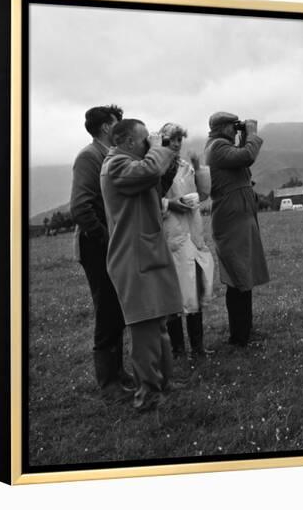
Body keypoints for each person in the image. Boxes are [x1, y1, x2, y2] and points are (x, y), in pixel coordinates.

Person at [100, 118, 184, 410]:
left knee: (158, 322)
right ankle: (147, 394)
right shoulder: (116, 166)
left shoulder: (132, 166)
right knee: (145, 329)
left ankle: (163, 382)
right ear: (127, 142)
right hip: (133, 258)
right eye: (143, 138)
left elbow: (156, 182)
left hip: (145, 253)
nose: (148, 142)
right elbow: (149, 170)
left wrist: (171, 151)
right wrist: (160, 146)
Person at [69, 104, 133, 400]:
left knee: (117, 308)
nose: (121, 126)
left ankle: (118, 372)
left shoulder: (108, 156)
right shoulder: (89, 157)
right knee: (106, 308)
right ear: (107, 127)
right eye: (117, 122)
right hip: (97, 245)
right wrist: (107, 239)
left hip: (111, 242)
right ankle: (107, 382)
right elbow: (80, 206)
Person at [204, 112, 269, 347]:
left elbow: (241, 159)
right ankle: (239, 336)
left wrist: (243, 136)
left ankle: (245, 330)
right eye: (234, 126)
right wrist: (251, 134)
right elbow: (247, 156)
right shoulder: (217, 147)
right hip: (232, 221)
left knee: (244, 276)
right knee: (238, 278)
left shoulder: (221, 146)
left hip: (238, 218)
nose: (236, 129)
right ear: (223, 128)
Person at [158, 122, 215, 358]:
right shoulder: (155, 169)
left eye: (179, 140)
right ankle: (178, 349)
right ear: (162, 141)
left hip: (192, 232)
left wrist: (198, 167)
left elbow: (202, 195)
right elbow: (150, 199)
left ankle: (198, 346)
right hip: (172, 235)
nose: (176, 144)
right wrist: (170, 204)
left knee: (196, 290)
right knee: (174, 295)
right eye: (171, 140)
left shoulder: (184, 166)